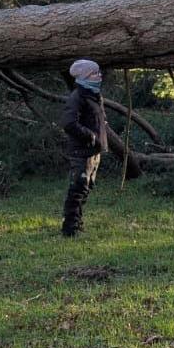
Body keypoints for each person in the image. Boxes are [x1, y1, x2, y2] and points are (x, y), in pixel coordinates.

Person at [60, 59, 108, 236]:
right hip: (81, 151)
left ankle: (78, 222)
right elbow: (68, 123)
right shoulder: (77, 97)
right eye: (95, 74)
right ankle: (70, 228)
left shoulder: (94, 95)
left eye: (99, 73)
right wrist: (90, 135)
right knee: (77, 189)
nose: (99, 76)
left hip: (93, 152)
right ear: (85, 77)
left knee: (85, 189)